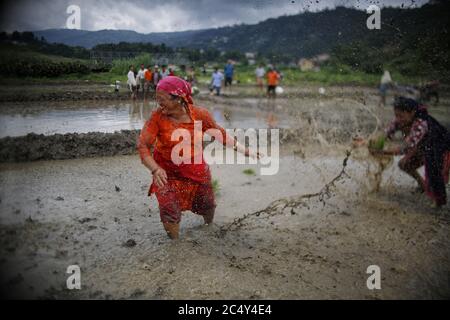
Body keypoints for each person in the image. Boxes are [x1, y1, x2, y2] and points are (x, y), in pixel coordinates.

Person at [137, 76, 259, 239]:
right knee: (169, 209)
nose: (158, 103)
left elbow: (220, 135)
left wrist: (246, 151)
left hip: (195, 169)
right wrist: (155, 169)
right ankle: (176, 246)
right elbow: (143, 145)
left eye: (162, 99)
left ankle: (209, 227)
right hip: (166, 172)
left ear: (178, 99)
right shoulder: (157, 117)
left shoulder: (200, 115)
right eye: (157, 98)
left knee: (207, 204)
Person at [370, 97, 450, 208]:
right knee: (404, 164)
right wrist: (369, 142)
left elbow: (405, 148)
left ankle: (438, 203)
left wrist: (382, 152)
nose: (398, 119)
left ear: (412, 113)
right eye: (396, 115)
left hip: (440, 149)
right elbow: (386, 132)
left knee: (434, 175)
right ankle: (423, 186)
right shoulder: (401, 120)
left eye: (401, 116)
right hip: (425, 147)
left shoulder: (421, 124)